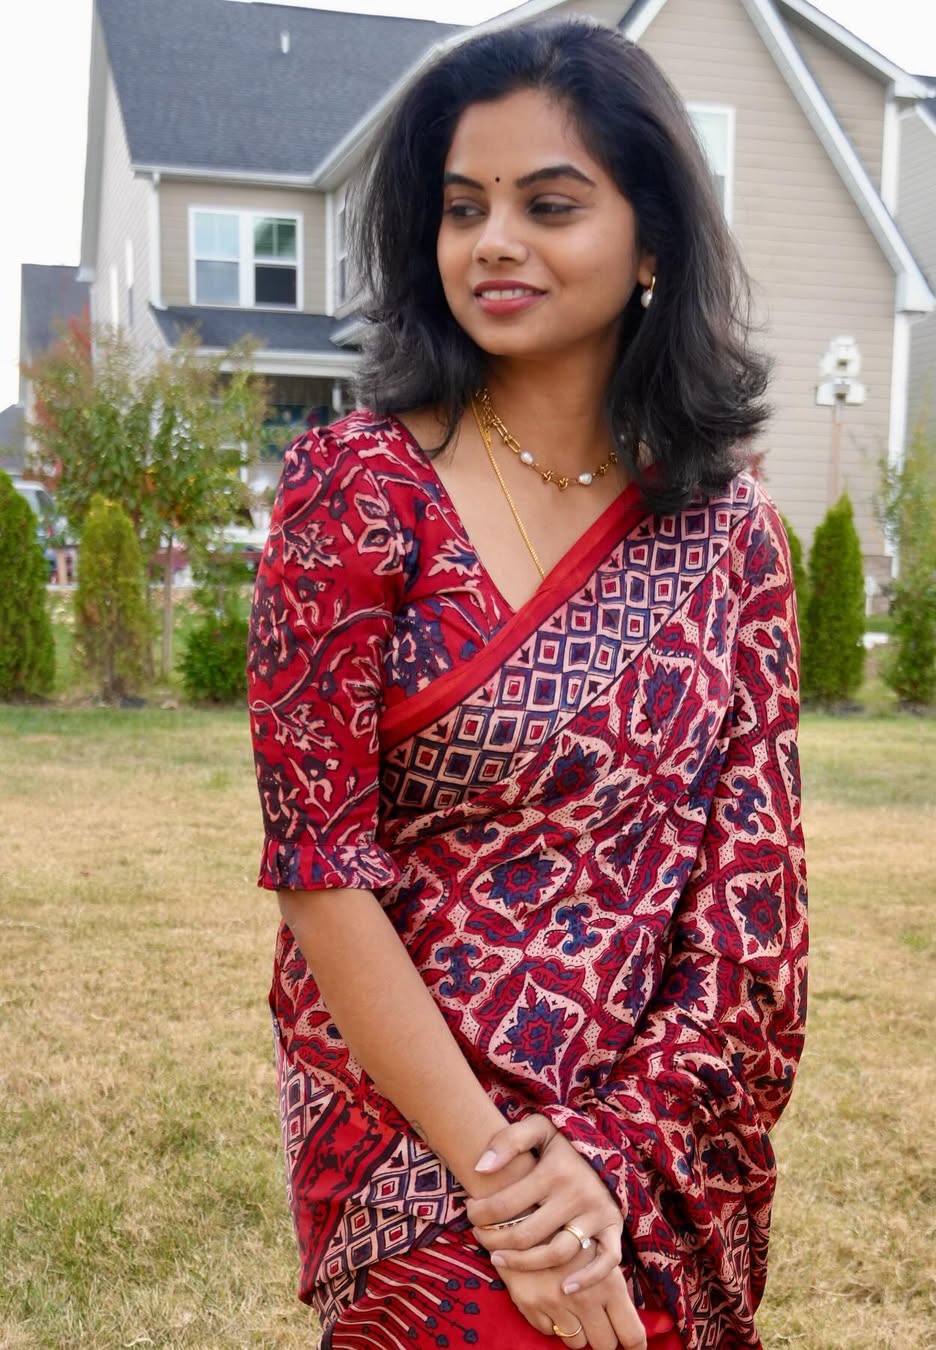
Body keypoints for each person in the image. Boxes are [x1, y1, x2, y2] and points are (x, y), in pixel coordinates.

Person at [247, 17, 808, 1350]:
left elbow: (753, 917)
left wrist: (606, 1162)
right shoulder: (357, 492)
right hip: (422, 1143)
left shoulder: (729, 539)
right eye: (462, 207)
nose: (494, 240)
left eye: (549, 203)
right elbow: (320, 867)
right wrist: (511, 1193)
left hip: (645, 1147)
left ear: (652, 237)